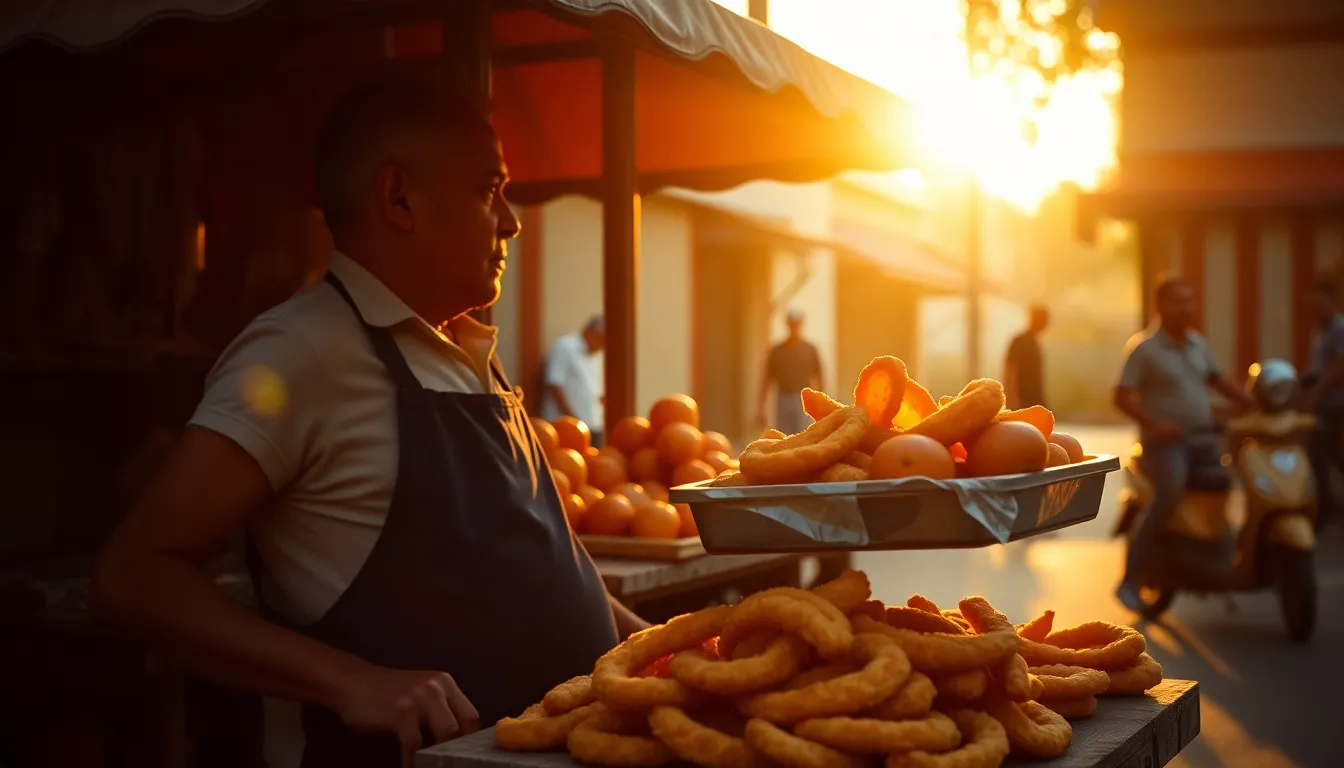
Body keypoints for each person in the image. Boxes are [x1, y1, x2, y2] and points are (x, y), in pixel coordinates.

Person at [89, 75, 646, 768]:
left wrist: (660, 651)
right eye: (488, 190)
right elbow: (135, 573)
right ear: (399, 198)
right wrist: (350, 680)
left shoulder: (466, 350)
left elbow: (553, 558)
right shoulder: (303, 351)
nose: (512, 222)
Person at [1111, 276, 1254, 611]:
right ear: (1160, 306)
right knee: (1169, 491)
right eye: (1179, 301)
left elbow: (1218, 381)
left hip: (1202, 440)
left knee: (1228, 482)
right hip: (1164, 446)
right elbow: (1120, 396)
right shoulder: (1144, 348)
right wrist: (1156, 425)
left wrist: (1252, 403)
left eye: (1191, 300)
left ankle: (1216, 556)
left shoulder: (1197, 344)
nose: (1188, 308)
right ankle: (1129, 581)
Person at [1303, 278, 1344, 532]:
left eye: (1320, 302)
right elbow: (1316, 367)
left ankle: (1325, 512)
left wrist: (1317, 391)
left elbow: (1340, 366)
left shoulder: (1340, 328)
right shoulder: (1320, 331)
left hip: (1337, 405)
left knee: (1329, 456)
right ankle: (1325, 510)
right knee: (1322, 457)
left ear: (1331, 302)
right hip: (1322, 404)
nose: (1315, 307)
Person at [756, 307, 823, 435]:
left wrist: (820, 405)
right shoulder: (777, 351)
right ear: (787, 325)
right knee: (785, 437)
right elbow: (766, 379)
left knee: (804, 435)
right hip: (783, 399)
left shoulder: (810, 350)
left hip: (804, 400)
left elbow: (819, 376)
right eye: (792, 324)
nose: (794, 327)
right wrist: (761, 408)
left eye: (797, 324)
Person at [540, 315, 606, 447]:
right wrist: (571, 417)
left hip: (593, 425)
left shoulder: (597, 355)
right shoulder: (565, 347)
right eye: (602, 338)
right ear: (590, 331)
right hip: (565, 428)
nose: (603, 345)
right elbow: (554, 383)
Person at [1004, 304, 1050, 410]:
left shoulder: (1035, 343)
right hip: (1022, 401)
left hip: (1035, 401)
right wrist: (1012, 399)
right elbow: (1010, 371)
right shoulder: (1019, 341)